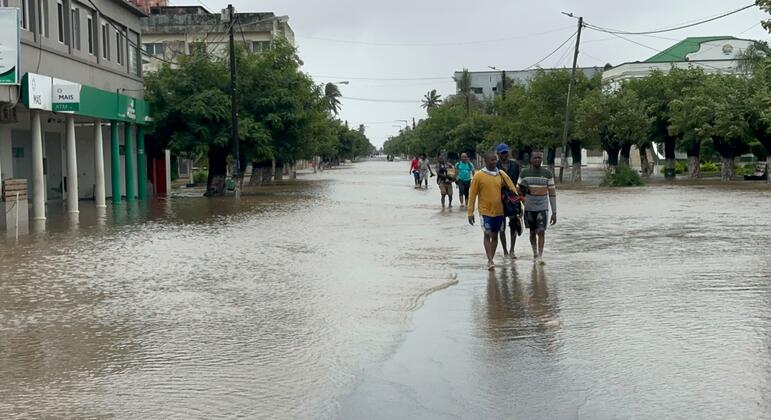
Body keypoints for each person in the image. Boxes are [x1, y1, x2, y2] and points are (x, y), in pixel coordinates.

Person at [467, 151, 518, 270]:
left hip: (499, 211)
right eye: (492, 160)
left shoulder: (501, 174)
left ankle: (492, 258)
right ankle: (489, 260)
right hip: (484, 211)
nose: (495, 162)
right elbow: (472, 195)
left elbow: (512, 189)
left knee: (495, 235)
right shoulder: (478, 175)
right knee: (487, 233)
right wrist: (470, 212)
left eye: (495, 160)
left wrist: (518, 204)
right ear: (486, 161)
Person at [517, 151, 557, 265]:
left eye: (540, 158)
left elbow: (552, 193)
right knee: (532, 232)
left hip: (542, 207)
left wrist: (554, 212)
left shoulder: (548, 174)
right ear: (531, 159)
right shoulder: (524, 173)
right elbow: (517, 190)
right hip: (529, 207)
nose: (538, 160)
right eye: (535, 158)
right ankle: (534, 253)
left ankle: (540, 255)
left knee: (541, 231)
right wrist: (522, 189)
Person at [496, 144, 522, 258]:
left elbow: (518, 181)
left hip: (513, 197)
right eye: (502, 153)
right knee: (501, 227)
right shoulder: (494, 166)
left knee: (514, 224)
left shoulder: (515, 165)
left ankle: (512, 250)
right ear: (498, 154)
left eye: (506, 152)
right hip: (499, 197)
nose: (505, 155)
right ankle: (505, 251)